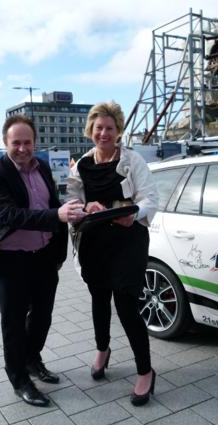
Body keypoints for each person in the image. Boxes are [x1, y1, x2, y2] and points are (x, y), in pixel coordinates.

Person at [0, 115, 85, 407]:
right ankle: (19, 379)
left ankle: (32, 360)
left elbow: (52, 205)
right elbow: (9, 215)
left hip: (43, 258)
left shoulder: (41, 166)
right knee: (14, 323)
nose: (22, 148)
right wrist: (56, 216)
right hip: (12, 261)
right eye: (16, 142)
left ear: (34, 143)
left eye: (27, 142)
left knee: (42, 317)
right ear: (5, 143)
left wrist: (59, 247)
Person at [67, 101, 159, 406]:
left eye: (109, 128)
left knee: (126, 302)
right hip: (96, 242)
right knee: (98, 298)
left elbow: (151, 199)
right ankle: (102, 349)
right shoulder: (81, 165)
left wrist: (132, 213)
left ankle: (145, 371)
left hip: (128, 238)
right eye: (98, 128)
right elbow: (72, 202)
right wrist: (84, 207)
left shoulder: (132, 161)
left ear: (118, 130)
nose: (104, 133)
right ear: (90, 131)